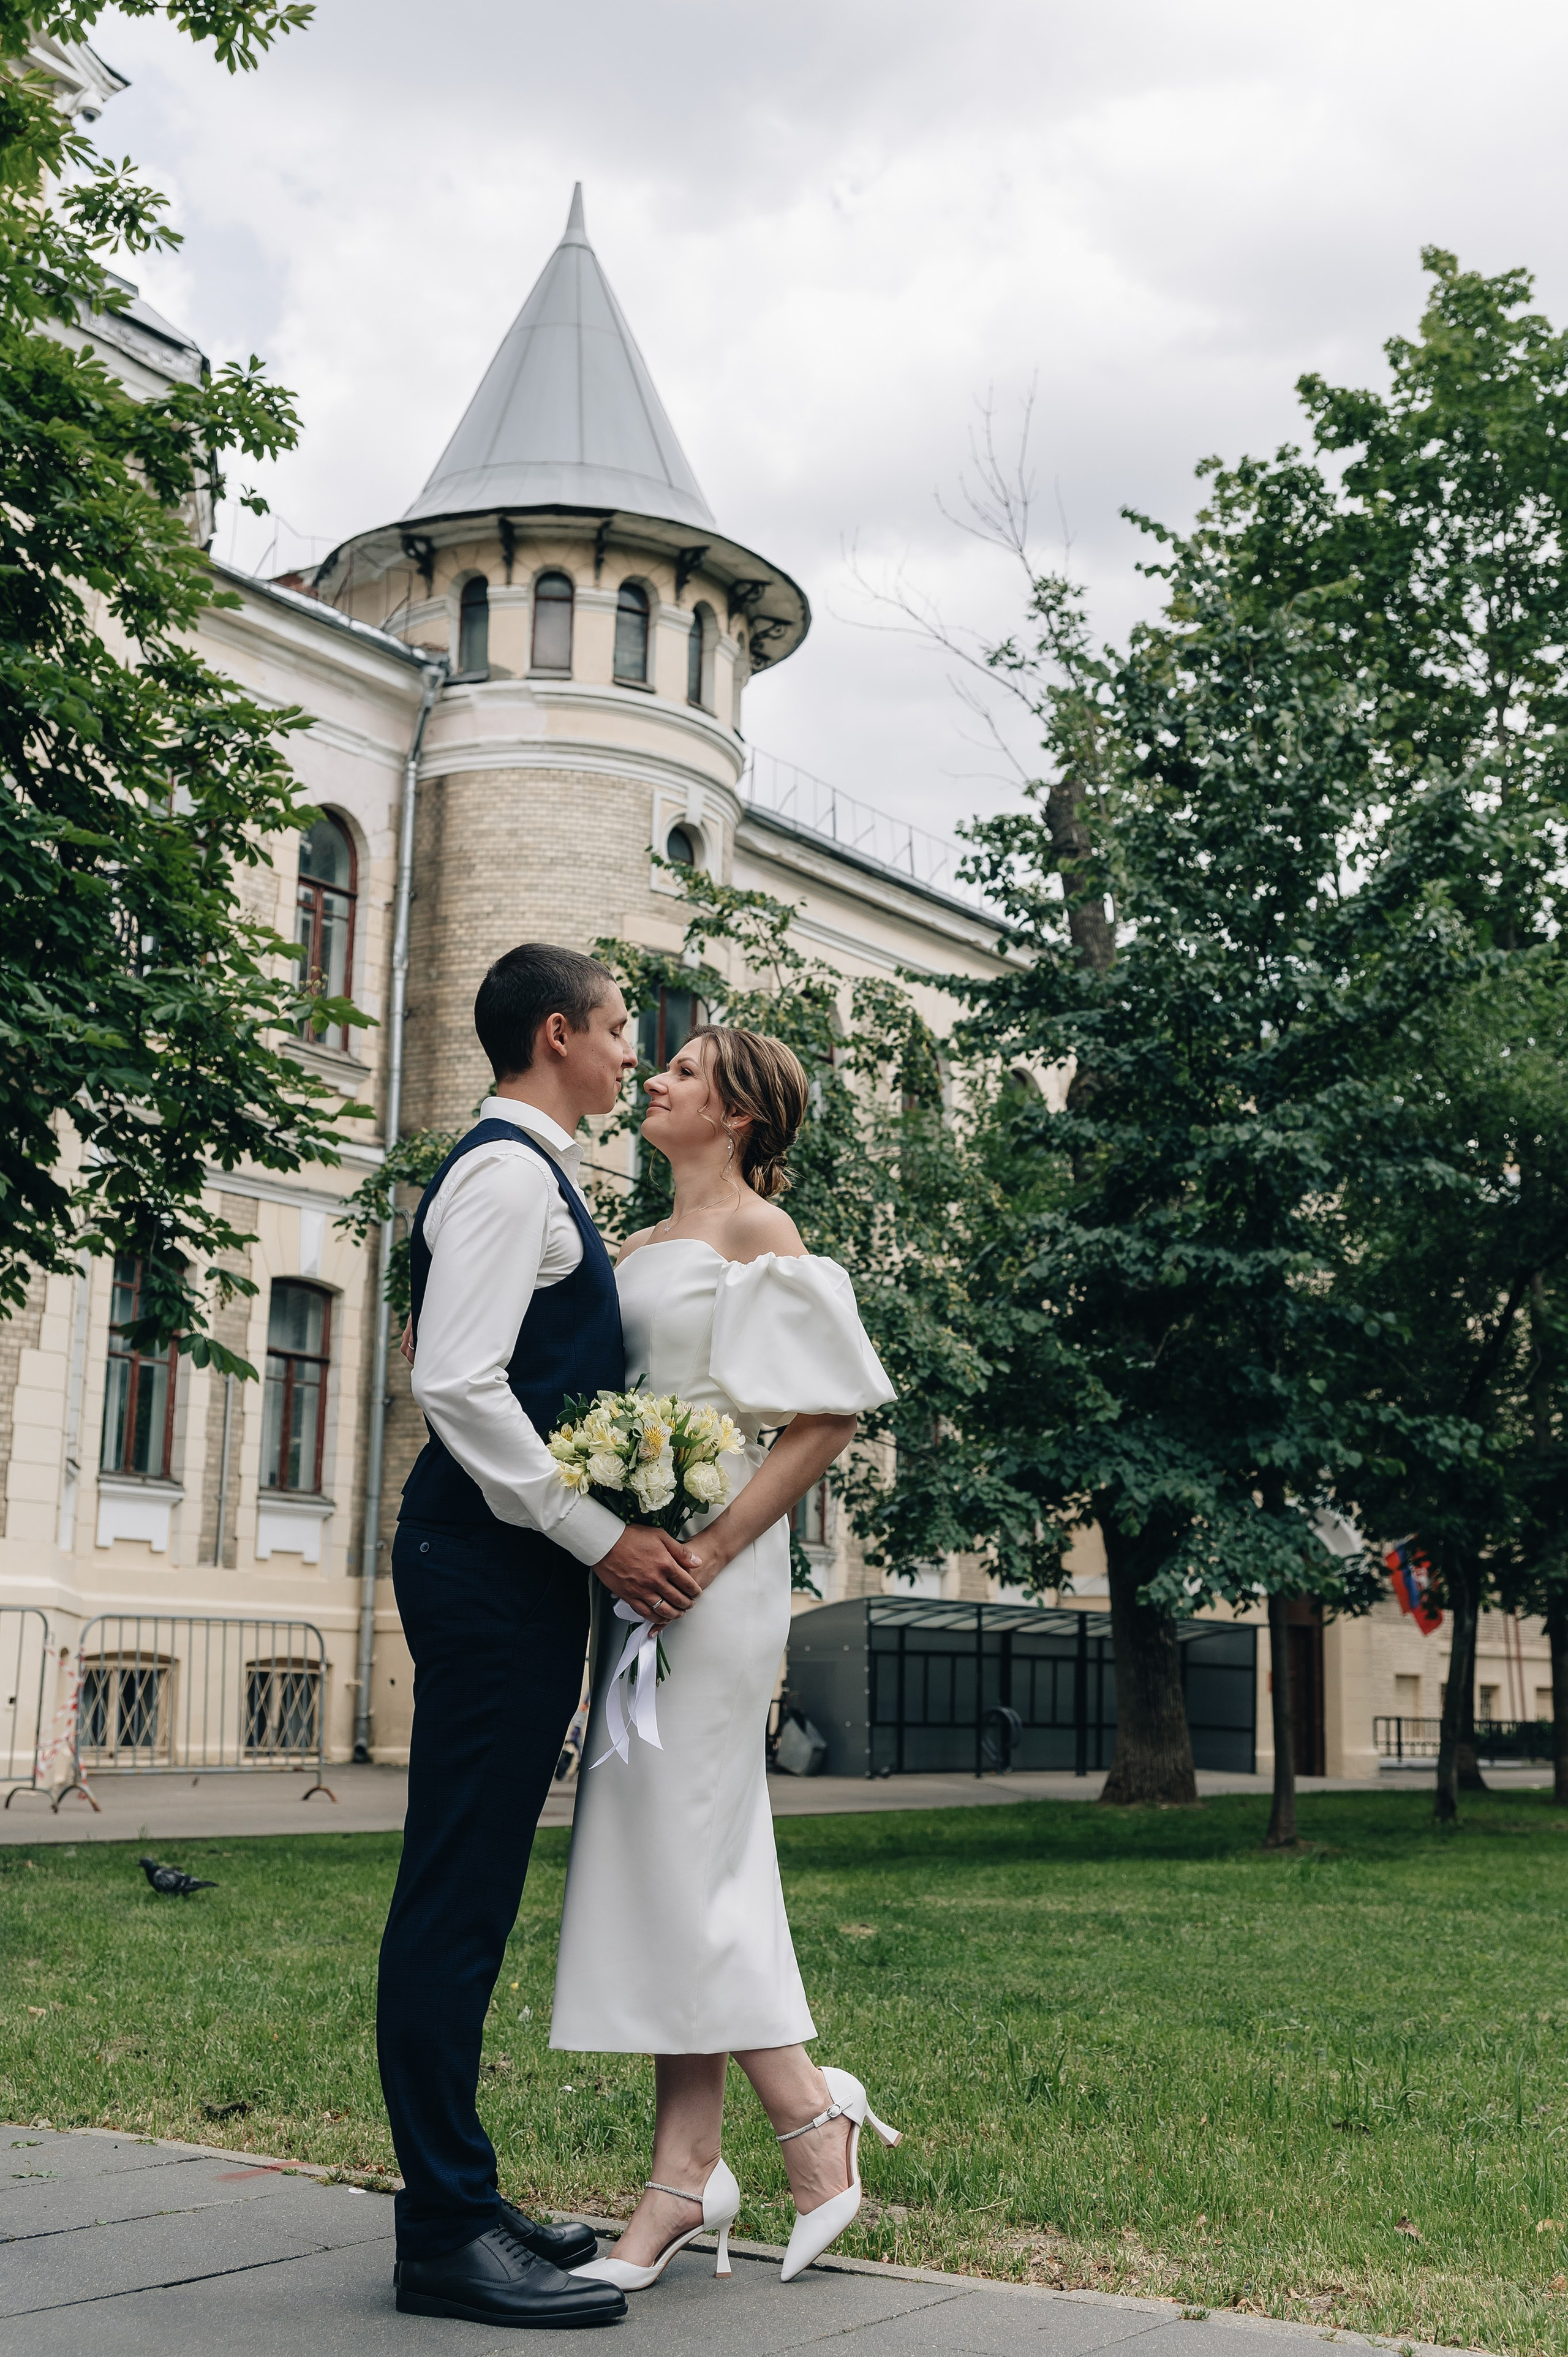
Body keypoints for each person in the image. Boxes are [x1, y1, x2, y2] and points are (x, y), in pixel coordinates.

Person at [379, 943, 704, 2330]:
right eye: (625, 1029)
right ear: (558, 1034)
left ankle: (463, 2197)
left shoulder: (540, 1171)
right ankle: (444, 2228)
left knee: (472, 1897)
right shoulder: (510, 1174)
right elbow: (452, 1379)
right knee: (454, 1902)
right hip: (486, 1565)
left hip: (503, 1573)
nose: (636, 1052)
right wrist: (601, 1537)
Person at [552, 1024, 900, 2293]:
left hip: (714, 1569)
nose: (652, 1079)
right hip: (637, 1570)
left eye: (684, 1071)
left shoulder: (761, 1236)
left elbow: (825, 1415)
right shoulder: (631, 1246)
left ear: (740, 1113)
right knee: (667, 1857)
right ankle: (705, 2161)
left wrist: (706, 1544)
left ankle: (794, 2129)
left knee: (683, 1849)